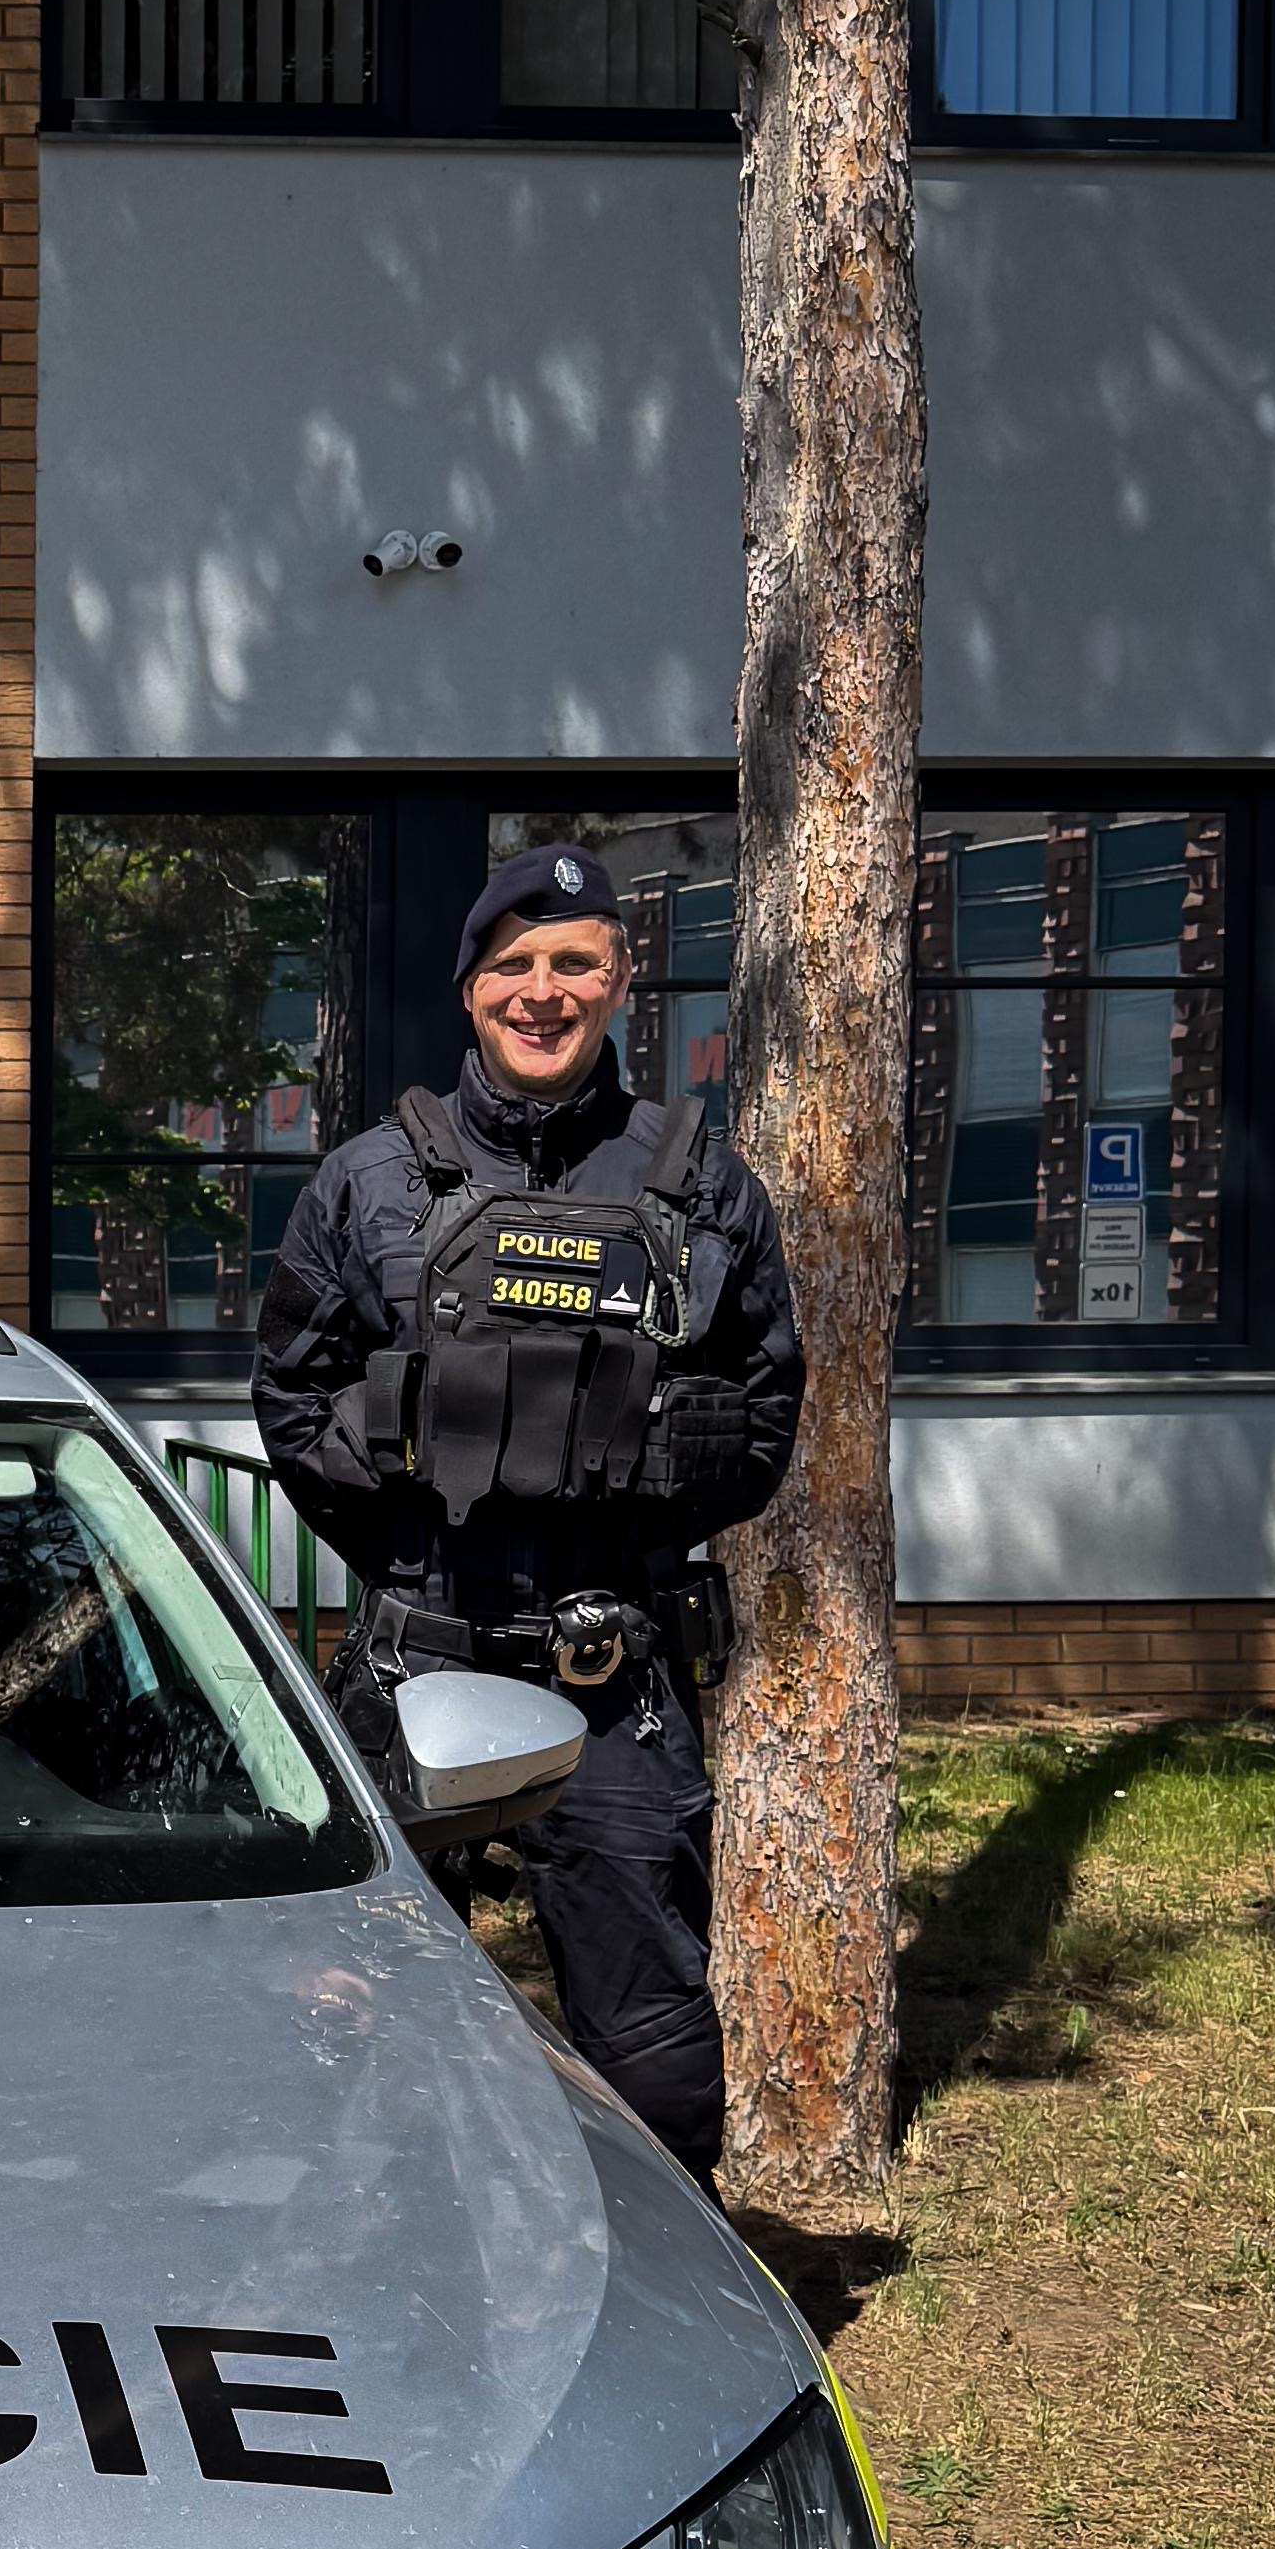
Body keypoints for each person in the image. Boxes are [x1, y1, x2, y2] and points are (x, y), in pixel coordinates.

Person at [252, 846, 803, 2186]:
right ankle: (385, 2266)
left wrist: (624, 1503)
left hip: (610, 1681)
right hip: (419, 1660)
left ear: (618, 981)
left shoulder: (702, 1185)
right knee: (364, 2023)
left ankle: (654, 2278)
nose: (540, 991)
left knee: (650, 2045)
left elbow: (760, 1413)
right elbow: (294, 1400)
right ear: (470, 988)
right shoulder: (370, 1180)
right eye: (512, 965)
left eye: (572, 963)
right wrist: (414, 1529)